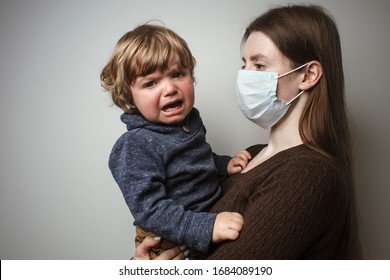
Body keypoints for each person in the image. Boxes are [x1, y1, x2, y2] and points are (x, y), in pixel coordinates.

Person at [134, 4, 362, 259]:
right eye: (245, 64)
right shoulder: (250, 156)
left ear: (307, 75)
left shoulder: (309, 175)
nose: (245, 76)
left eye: (260, 66)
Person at [100, 24, 250, 259]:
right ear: (129, 97)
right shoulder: (135, 145)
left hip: (206, 215)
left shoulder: (189, 121)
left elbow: (195, 161)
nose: (170, 88)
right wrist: (206, 227)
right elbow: (150, 211)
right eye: (150, 83)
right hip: (167, 239)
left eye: (177, 74)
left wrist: (223, 165)